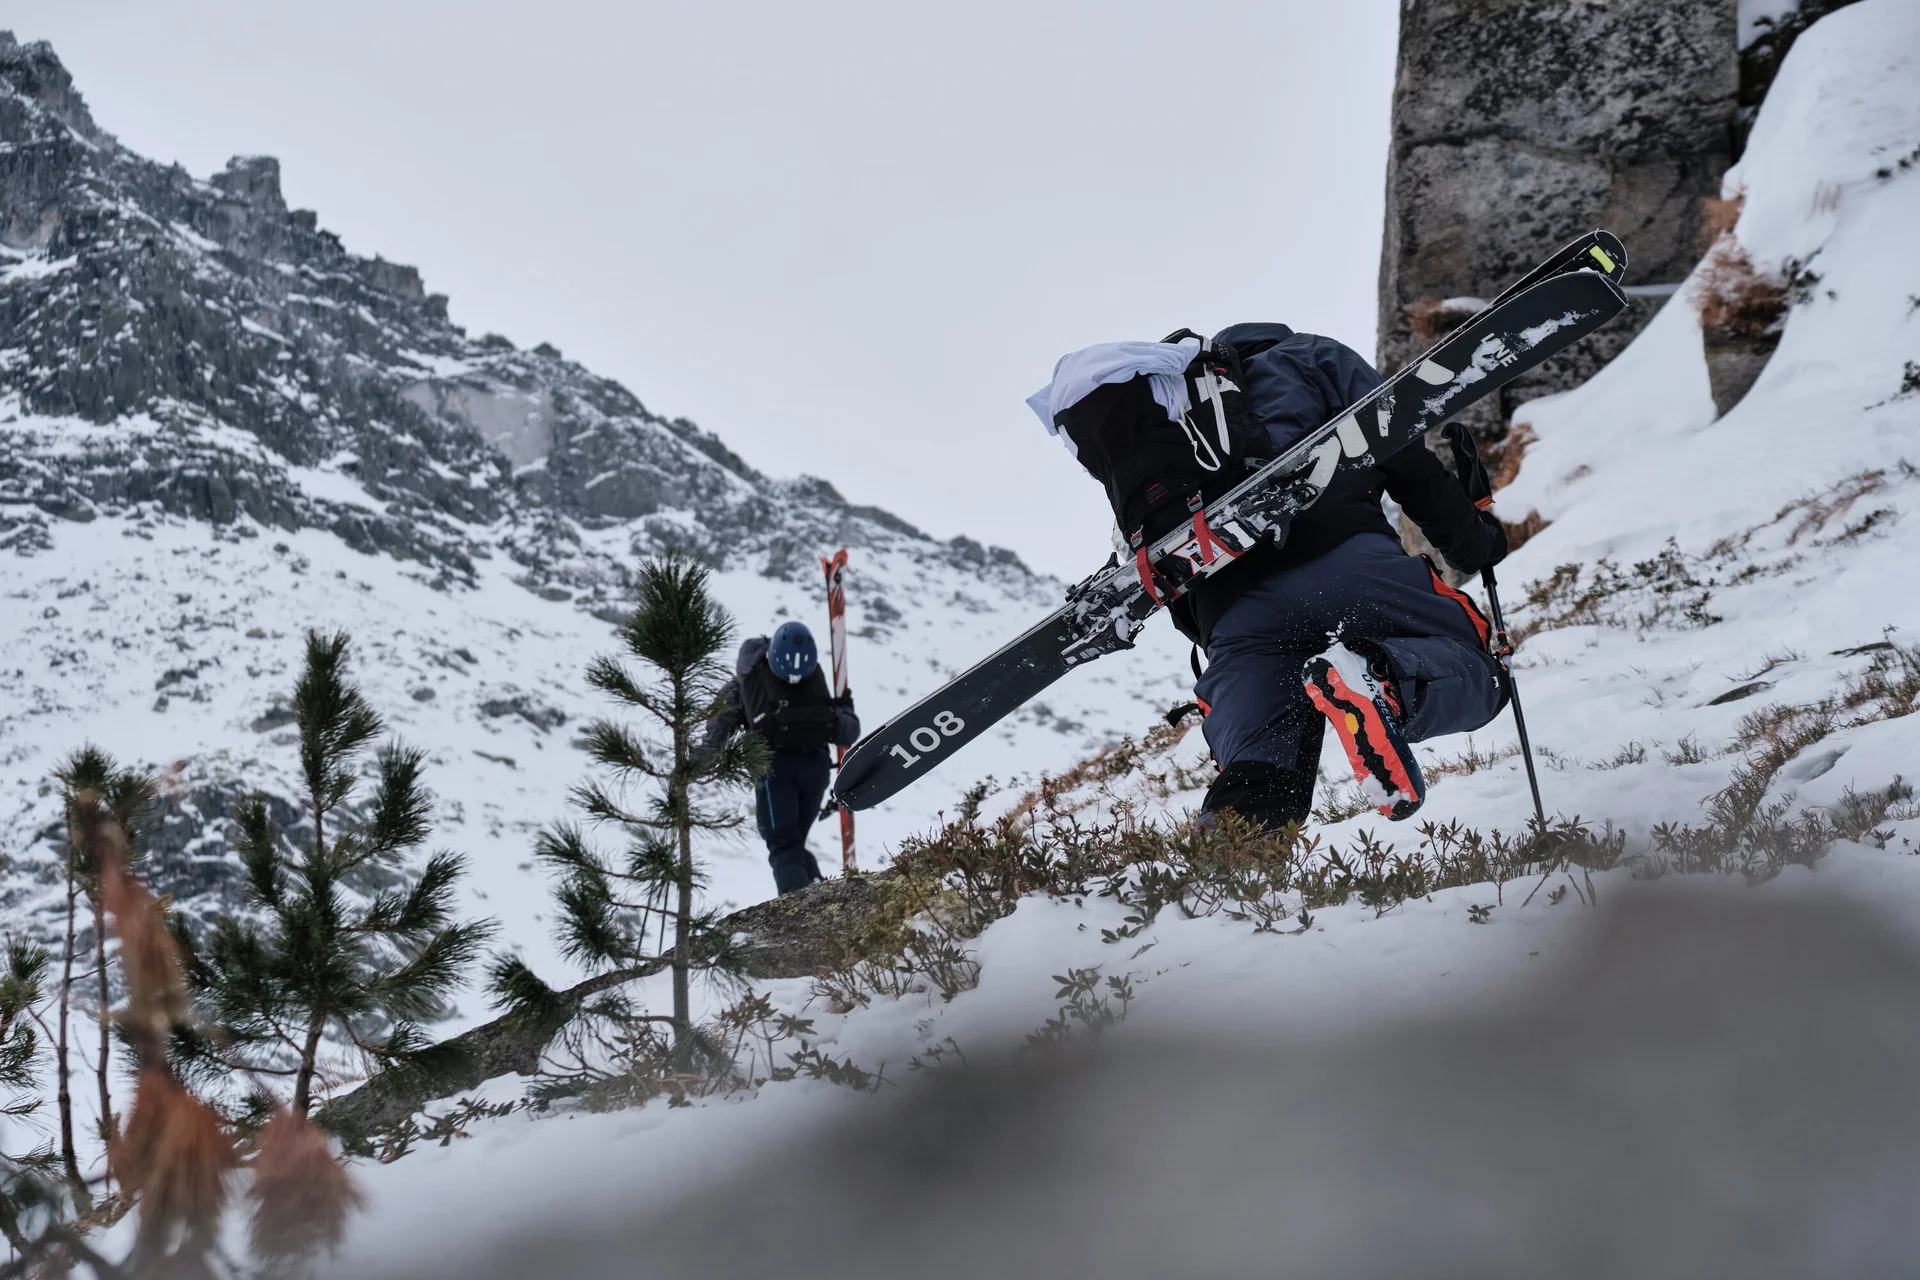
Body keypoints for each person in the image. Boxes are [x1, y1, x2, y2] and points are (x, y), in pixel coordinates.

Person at [1032, 323, 1509, 830]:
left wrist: (1220, 630)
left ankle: (1232, 862)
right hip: (1345, 559)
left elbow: (1162, 564)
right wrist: (1476, 545)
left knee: (1260, 776)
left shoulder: (1168, 420)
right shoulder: (1313, 356)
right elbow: (1402, 452)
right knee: (1479, 675)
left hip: (1232, 614)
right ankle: (1379, 678)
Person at [701, 621, 859, 894]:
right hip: (816, 769)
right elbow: (848, 732)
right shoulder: (812, 681)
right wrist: (845, 708)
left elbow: (718, 729)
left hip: (774, 771)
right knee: (792, 845)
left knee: (784, 846)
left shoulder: (746, 681)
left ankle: (803, 912)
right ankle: (820, 897)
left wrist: (694, 763)